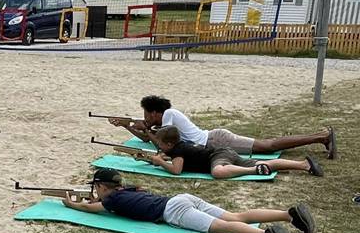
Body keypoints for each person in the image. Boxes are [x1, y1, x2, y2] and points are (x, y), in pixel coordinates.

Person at [61, 167, 313, 233]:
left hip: (174, 211)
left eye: (96, 188)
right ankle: (289, 215)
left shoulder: (112, 200)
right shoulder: (127, 190)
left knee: (222, 228)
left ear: (102, 187)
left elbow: (89, 208)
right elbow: (99, 201)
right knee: (236, 216)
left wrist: (71, 203)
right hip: (182, 198)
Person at [110, 95, 336, 161]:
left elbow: (160, 142)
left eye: (146, 115)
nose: (145, 118)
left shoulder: (169, 115)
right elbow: (150, 140)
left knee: (268, 146)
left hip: (216, 141)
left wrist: (143, 128)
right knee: (268, 145)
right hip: (212, 143)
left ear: (154, 112)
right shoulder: (165, 119)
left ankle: (321, 136)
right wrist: (127, 126)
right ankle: (320, 136)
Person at [145, 125, 324, 180]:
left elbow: (177, 170)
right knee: (262, 163)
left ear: (169, 144)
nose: (159, 146)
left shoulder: (178, 151)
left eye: (160, 144)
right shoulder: (180, 147)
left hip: (218, 157)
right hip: (224, 153)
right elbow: (178, 158)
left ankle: (254, 171)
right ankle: (304, 164)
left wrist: (160, 162)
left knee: (217, 172)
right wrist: (160, 158)